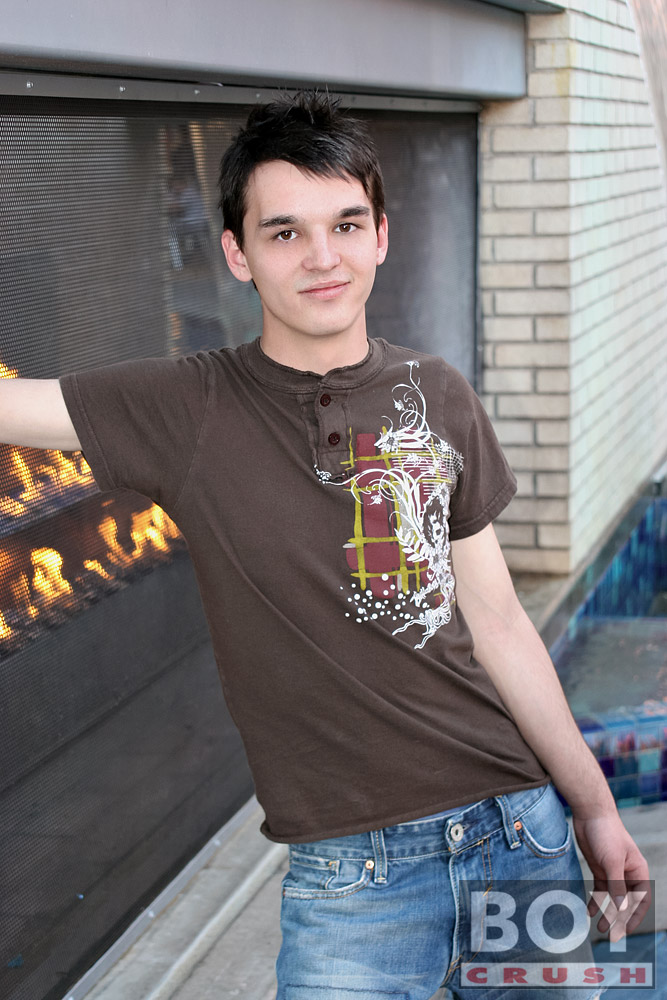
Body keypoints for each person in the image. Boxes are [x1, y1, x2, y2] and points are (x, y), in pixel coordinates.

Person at [0, 92, 650, 999]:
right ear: (237, 254)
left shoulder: (438, 392)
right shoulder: (187, 407)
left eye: (345, 224)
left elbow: (500, 623)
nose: (321, 257)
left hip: (516, 832)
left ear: (379, 235)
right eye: (284, 232)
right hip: (352, 882)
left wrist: (594, 806)